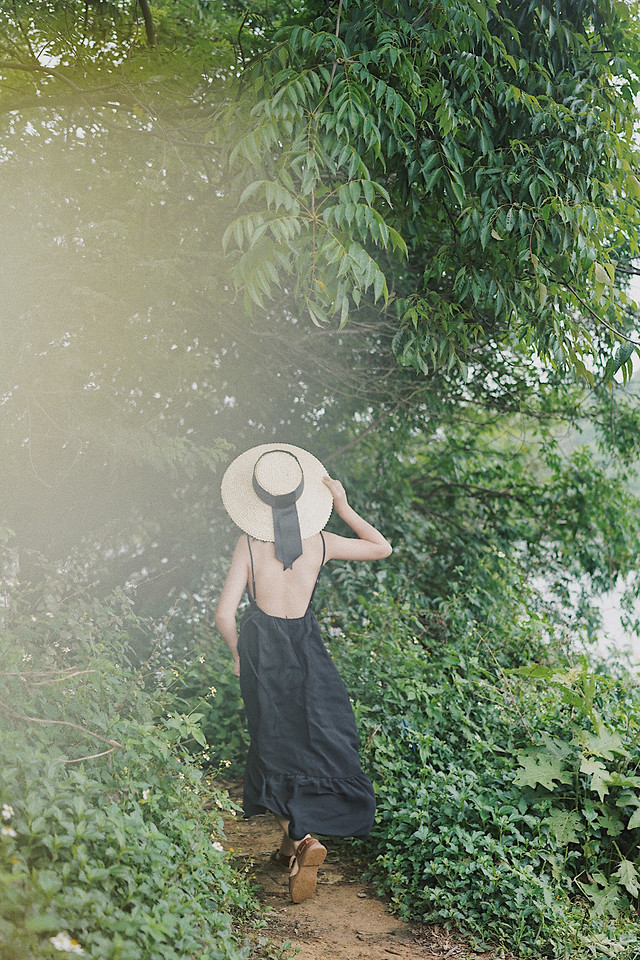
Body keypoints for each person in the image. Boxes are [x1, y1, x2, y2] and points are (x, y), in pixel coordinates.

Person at [215, 443, 392, 903]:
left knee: (272, 746)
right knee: (316, 739)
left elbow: (223, 614)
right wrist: (343, 505)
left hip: (263, 653)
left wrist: (238, 654)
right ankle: (292, 849)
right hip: (307, 650)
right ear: (301, 497)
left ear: (256, 502)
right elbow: (382, 547)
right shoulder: (320, 542)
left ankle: (301, 841)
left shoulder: (250, 545)